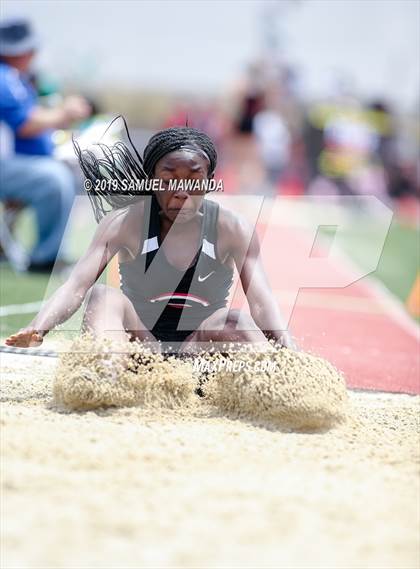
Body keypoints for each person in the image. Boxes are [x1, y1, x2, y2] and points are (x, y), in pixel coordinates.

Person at [4, 123, 295, 353]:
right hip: (141, 350)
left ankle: (280, 382)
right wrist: (37, 328)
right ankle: (104, 377)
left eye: (194, 180)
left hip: (201, 352)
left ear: (209, 181)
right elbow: (76, 286)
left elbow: (260, 300)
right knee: (102, 296)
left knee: (236, 320)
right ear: (151, 180)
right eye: (168, 180)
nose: (181, 190)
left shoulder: (233, 228)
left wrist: (286, 345)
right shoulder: (124, 224)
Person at [0, 18, 91, 271]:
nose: (33, 54)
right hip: (6, 165)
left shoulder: (16, 78)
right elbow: (25, 124)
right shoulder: (3, 77)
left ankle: (53, 251)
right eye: (29, 49)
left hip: (15, 162)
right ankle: (46, 258)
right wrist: (66, 112)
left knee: (68, 169)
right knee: (54, 178)